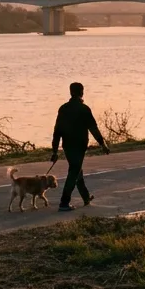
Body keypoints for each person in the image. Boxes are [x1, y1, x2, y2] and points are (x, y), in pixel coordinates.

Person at [50, 82, 109, 212]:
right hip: (79, 145)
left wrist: (54, 151)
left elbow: (57, 131)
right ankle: (64, 203)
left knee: (77, 170)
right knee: (74, 172)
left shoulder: (63, 108)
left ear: (70, 92)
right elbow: (93, 128)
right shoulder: (84, 109)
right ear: (82, 92)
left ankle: (86, 197)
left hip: (67, 146)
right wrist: (102, 144)